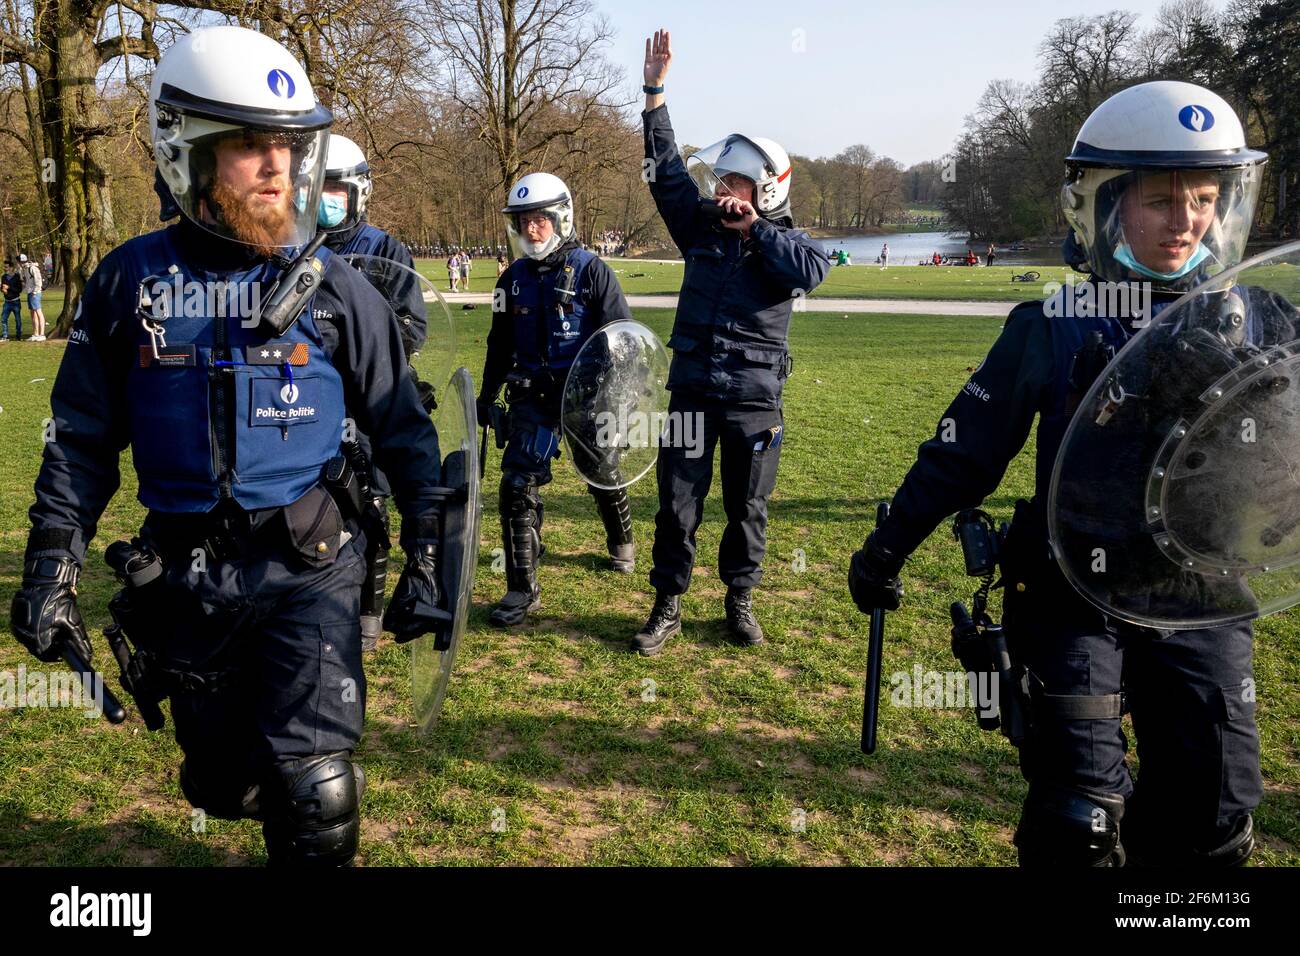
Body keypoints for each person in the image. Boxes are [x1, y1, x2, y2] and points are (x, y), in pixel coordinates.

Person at [9, 25, 448, 867]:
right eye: (251, 146)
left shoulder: (339, 289)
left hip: (311, 563)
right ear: (190, 153)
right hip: (184, 575)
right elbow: (80, 443)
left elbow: (404, 428)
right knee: (219, 782)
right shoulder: (127, 283)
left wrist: (432, 544)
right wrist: (50, 568)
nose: (277, 166)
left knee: (314, 784)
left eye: (286, 144)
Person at [847, 81, 1277, 866]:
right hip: (1076, 594)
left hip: (1203, 601)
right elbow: (961, 453)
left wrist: (1244, 395)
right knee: (1078, 820)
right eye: (1159, 199)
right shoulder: (1053, 326)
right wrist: (885, 549)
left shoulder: (1266, 324)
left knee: (1215, 819)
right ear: (1107, 205)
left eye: (1206, 198)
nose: (1185, 221)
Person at [632, 29, 830, 655]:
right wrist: (655, 94)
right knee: (676, 504)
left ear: (767, 189)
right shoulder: (699, 227)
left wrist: (757, 233)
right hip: (693, 389)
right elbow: (665, 172)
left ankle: (739, 601)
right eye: (720, 179)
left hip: (753, 399)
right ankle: (667, 604)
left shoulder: (788, 244)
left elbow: (811, 273)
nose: (722, 191)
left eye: (735, 184)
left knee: (747, 508)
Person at [475, 172, 635, 626]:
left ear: (561, 218)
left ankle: (621, 539)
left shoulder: (593, 270)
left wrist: (616, 398)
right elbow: (498, 342)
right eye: (524, 220)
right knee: (516, 486)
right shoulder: (511, 281)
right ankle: (521, 589)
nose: (532, 229)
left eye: (541, 219)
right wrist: (488, 396)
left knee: (602, 472)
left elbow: (621, 340)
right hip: (532, 399)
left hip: (587, 396)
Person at [319, 132, 432, 650]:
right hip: (314, 401)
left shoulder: (385, 249)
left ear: (358, 192)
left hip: (371, 400)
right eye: (318, 187)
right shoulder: (294, 249)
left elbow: (411, 325)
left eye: (336, 189)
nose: (325, 199)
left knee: (371, 503)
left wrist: (363, 347)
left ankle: (368, 617)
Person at [20, 253, 45, 340]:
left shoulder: (33, 268)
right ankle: (35, 334)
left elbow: (39, 282)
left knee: (38, 312)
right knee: (33, 314)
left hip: (35, 293)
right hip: (30, 293)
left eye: (20, 261)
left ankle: (42, 334)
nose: (20, 263)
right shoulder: (25, 269)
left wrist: (35, 292)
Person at [1, 258, 23, 341]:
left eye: (6, 267)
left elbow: (19, 290)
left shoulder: (17, 277)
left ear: (11, 268)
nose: (5, 269)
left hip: (16, 302)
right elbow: (2, 288)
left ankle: (18, 335)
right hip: (7, 302)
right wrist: (3, 290)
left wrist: (9, 287)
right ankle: (5, 335)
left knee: (17, 320)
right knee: (3, 319)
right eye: (4, 267)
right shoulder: (3, 277)